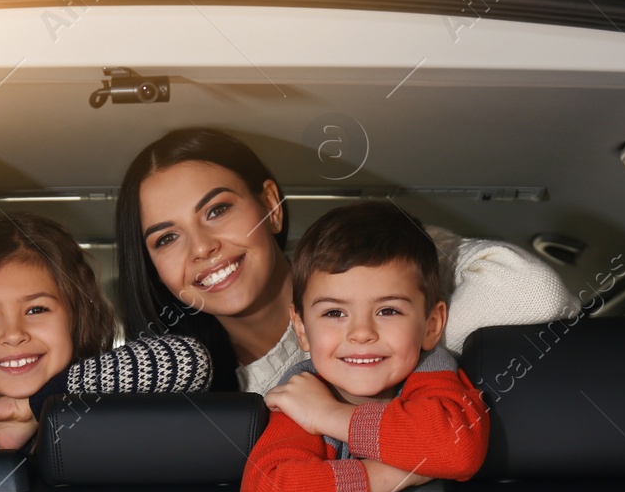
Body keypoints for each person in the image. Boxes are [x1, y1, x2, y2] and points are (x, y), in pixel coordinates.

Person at [115, 127, 580, 393]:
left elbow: (532, 293)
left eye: (217, 211)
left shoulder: (374, 257)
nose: (201, 248)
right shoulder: (175, 386)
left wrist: (400, 339)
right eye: (166, 238)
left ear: (272, 206)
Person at [239, 202, 490, 492]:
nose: (361, 333)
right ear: (301, 328)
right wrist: (401, 473)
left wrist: (332, 416)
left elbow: (458, 450)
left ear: (431, 325)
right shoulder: (302, 396)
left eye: (388, 310)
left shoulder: (434, 373)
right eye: (334, 313)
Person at [0, 211, 212, 451]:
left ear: (74, 320)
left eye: (36, 309)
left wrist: (37, 407)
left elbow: (189, 361)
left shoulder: (104, 400)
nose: (14, 334)